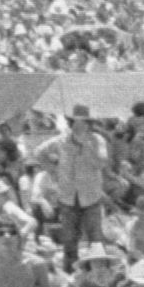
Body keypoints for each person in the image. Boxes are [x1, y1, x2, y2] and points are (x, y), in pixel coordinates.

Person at [31, 104, 110, 269]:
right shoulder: (61, 140)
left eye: (83, 122)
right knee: (69, 238)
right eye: (75, 121)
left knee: (95, 237)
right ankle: (70, 270)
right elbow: (38, 152)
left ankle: (98, 270)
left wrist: (86, 146)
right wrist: (53, 170)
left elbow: (102, 162)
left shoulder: (97, 140)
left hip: (91, 196)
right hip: (67, 197)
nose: (78, 125)